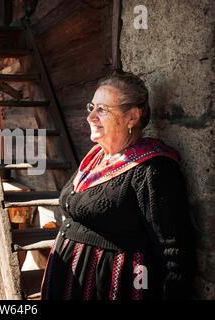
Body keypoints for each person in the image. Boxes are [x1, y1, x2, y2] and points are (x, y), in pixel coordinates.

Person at [41, 71, 195, 300]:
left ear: (132, 117)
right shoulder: (96, 158)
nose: (91, 117)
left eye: (102, 110)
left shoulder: (152, 169)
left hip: (111, 287)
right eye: (91, 107)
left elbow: (174, 251)